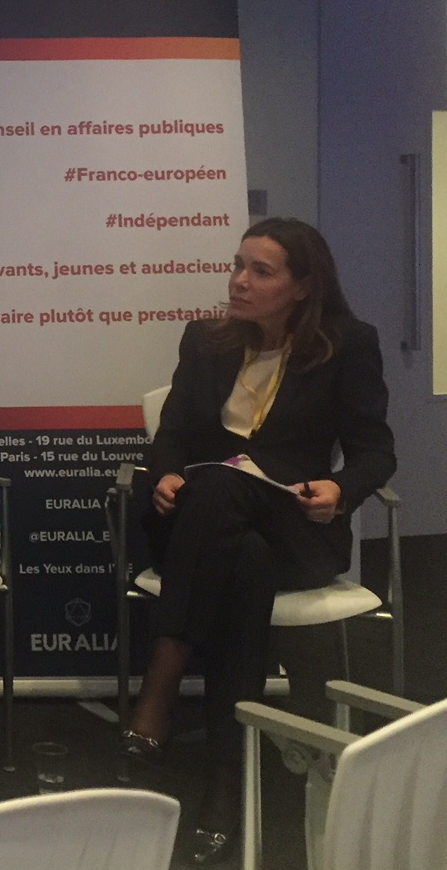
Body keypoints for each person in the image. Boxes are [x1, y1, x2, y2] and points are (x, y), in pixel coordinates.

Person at [124, 217, 395, 866]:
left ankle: (160, 685)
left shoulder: (347, 345)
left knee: (224, 491)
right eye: (238, 265)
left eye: (260, 271)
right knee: (239, 553)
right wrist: (165, 473)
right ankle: (225, 784)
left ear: (302, 287)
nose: (239, 281)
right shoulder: (206, 340)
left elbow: (374, 450)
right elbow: (173, 432)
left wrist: (342, 489)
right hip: (209, 532)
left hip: (297, 524)